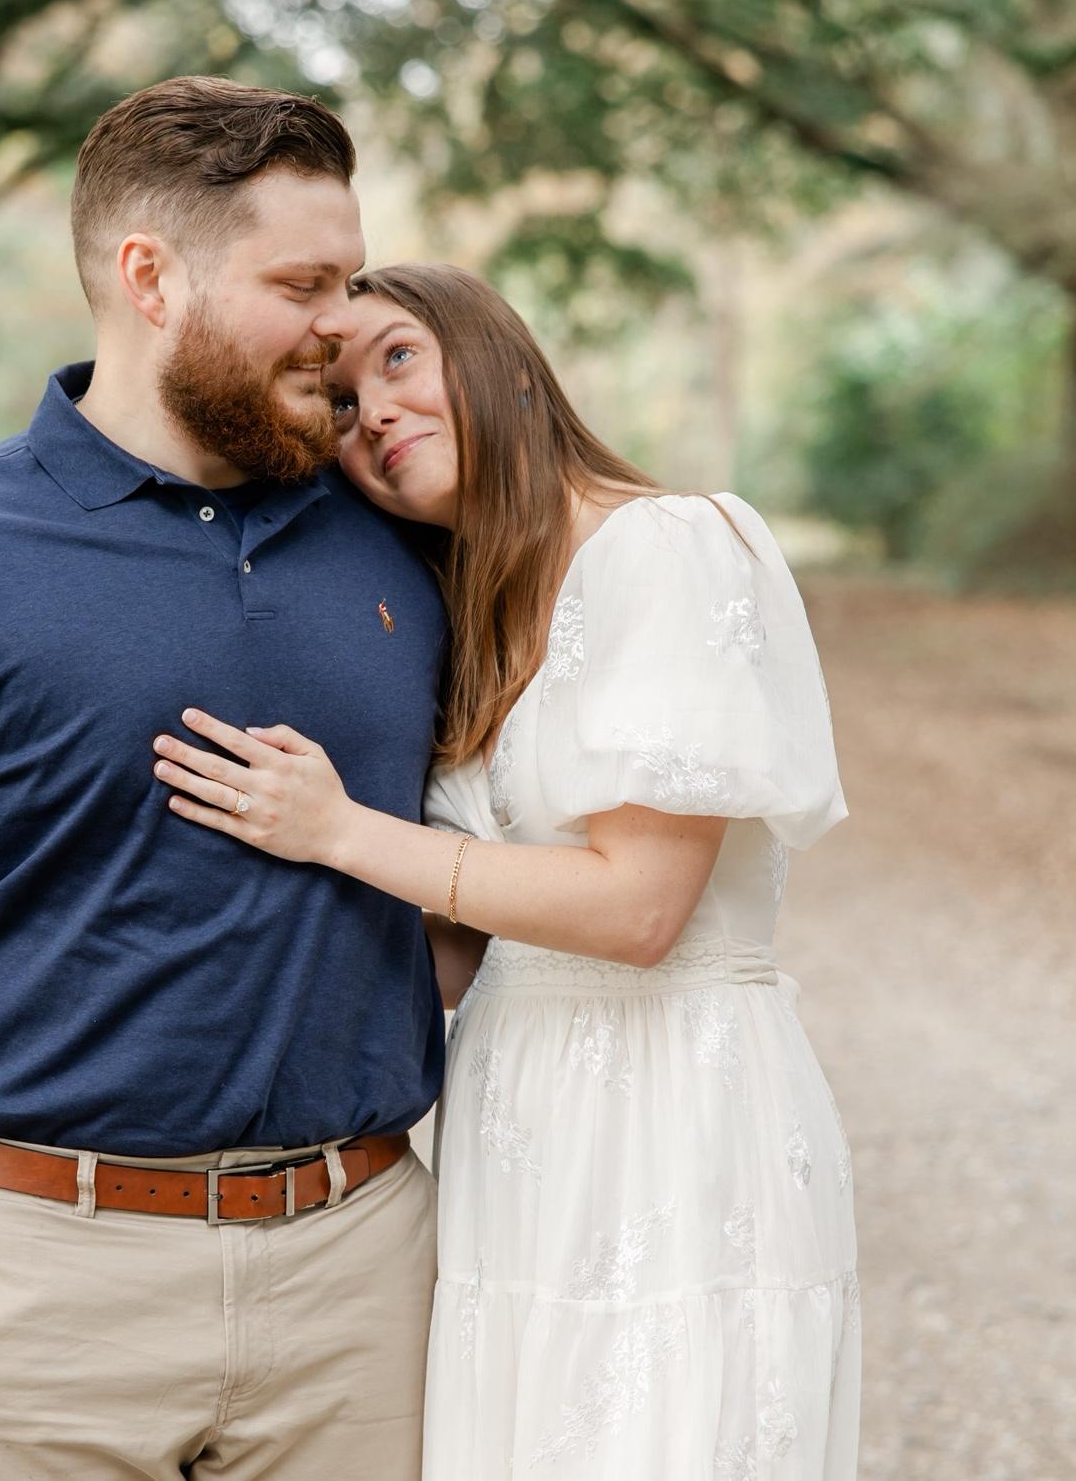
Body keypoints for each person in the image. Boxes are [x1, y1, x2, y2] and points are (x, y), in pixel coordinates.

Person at [0, 80, 449, 1480]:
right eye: (301, 282)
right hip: (34, 1290)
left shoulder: (402, 544)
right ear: (150, 276)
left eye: (351, 278)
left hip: (363, 1282)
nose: (341, 322)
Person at [154, 263, 860, 1479]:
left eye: (396, 359)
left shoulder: (672, 548)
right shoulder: (475, 612)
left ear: (501, 359)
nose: (370, 411)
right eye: (339, 401)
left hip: (673, 1114)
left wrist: (335, 831)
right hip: (517, 1123)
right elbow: (464, 933)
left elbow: (639, 909)